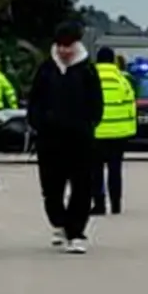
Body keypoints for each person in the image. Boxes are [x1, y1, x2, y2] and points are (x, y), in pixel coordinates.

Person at [27, 21, 104, 254]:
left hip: (80, 140)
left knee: (82, 187)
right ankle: (59, 222)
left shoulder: (87, 70)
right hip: (49, 140)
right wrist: (39, 122)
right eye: (60, 45)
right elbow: (34, 101)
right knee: (51, 189)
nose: (64, 50)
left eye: (68, 45)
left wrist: (86, 125)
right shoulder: (46, 69)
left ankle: (76, 232)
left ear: (76, 44)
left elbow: (96, 104)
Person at [91, 46, 137, 215]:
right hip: (118, 133)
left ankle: (99, 205)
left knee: (95, 170)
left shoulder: (90, 79)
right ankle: (116, 205)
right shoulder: (123, 80)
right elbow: (131, 106)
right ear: (113, 61)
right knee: (115, 169)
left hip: (95, 133)